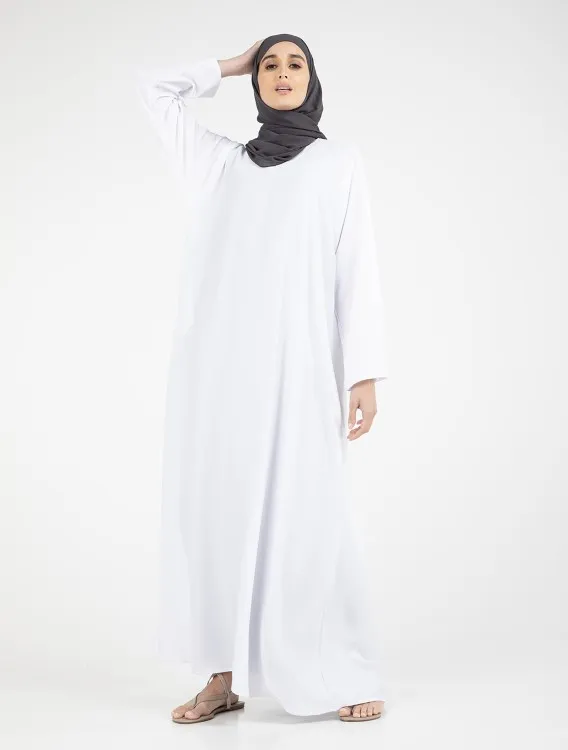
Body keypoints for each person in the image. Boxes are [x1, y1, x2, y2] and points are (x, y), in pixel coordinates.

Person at [137, 33, 389, 724]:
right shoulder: (222, 163)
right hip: (219, 375)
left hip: (299, 371)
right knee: (218, 515)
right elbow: (154, 90)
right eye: (269, 65)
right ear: (255, 81)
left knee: (308, 514)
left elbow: (356, 268)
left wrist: (364, 373)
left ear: (313, 80)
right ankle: (222, 677)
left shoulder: (337, 162)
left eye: (294, 64)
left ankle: (335, 668)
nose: (281, 74)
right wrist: (229, 63)